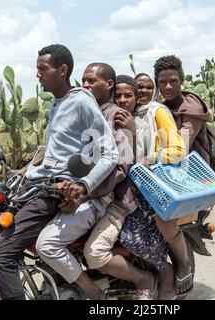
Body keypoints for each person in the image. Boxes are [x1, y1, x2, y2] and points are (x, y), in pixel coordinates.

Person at [0, 44, 119, 300]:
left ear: (62, 70)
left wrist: (83, 186)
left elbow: (110, 153)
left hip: (55, 191)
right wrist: (23, 172)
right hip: (39, 185)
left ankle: (89, 291)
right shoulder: (56, 105)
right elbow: (54, 152)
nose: (37, 74)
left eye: (42, 69)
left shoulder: (80, 101)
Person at [82, 69, 158, 298]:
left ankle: (145, 280)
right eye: (119, 96)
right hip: (105, 192)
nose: (123, 101)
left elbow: (129, 164)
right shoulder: (105, 119)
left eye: (129, 96)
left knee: (94, 252)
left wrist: (131, 131)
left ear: (137, 99)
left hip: (124, 196)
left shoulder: (140, 124)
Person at [118, 73, 187, 299]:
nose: (145, 91)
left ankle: (178, 265)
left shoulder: (157, 112)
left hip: (156, 183)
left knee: (160, 226)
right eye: (141, 87)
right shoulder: (128, 115)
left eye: (149, 87)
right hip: (134, 186)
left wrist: (153, 156)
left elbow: (178, 151)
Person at [153, 55, 213, 295]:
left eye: (173, 81)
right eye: (163, 82)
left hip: (192, 178)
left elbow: (181, 145)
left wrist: (149, 155)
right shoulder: (160, 107)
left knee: (169, 220)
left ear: (182, 80)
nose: (168, 86)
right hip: (167, 173)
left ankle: (182, 266)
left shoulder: (191, 108)